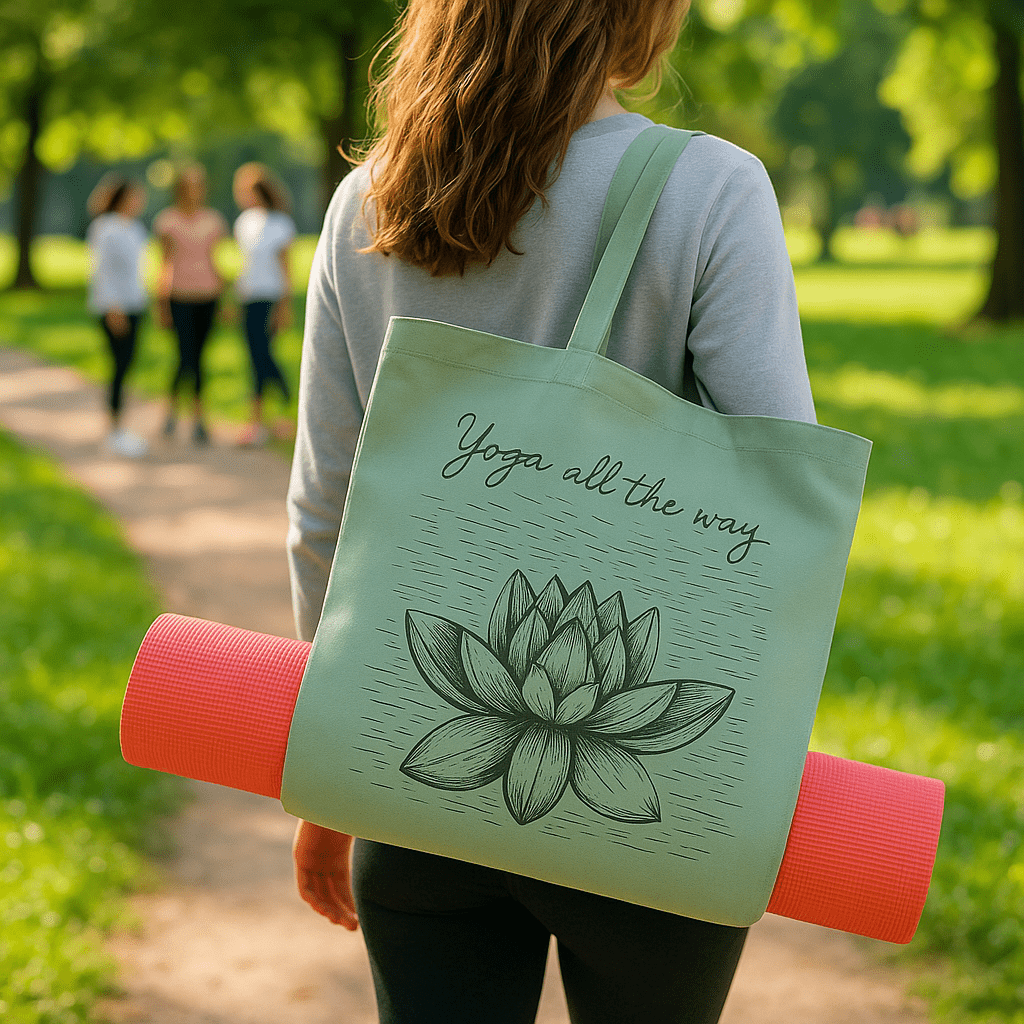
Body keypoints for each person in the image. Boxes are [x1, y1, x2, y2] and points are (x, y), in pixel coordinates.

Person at [286, 2, 817, 1022]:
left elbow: (325, 510)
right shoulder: (706, 190)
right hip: (651, 783)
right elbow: (778, 491)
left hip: (414, 757)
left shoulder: (368, 201)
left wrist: (331, 776)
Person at [154, 163, 228, 445]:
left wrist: (224, 299)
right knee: (186, 356)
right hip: (179, 296)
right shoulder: (167, 221)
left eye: (201, 184)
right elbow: (164, 264)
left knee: (198, 357)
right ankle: (190, 416)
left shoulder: (213, 221)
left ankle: (187, 414)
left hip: (208, 295)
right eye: (192, 184)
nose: (197, 190)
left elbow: (214, 260)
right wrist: (161, 303)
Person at [231, 162, 296, 446]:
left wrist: (285, 305)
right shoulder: (244, 222)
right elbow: (246, 265)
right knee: (256, 357)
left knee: (262, 356)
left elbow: (285, 269)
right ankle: (269, 415)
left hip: (270, 298)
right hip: (249, 296)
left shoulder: (281, 224)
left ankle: (276, 409)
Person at [86, 175, 150, 459]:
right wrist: (113, 307)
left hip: (135, 305)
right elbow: (102, 271)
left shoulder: (134, 228)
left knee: (128, 364)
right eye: (135, 197)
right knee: (119, 366)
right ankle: (114, 429)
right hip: (115, 308)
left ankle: (120, 426)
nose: (139, 202)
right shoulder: (105, 228)